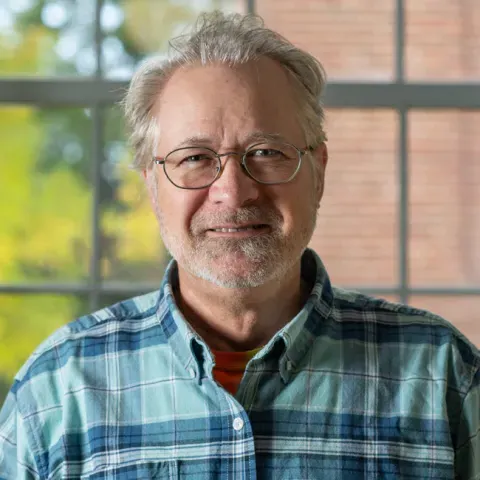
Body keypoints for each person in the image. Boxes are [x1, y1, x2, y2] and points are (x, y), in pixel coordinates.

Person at [0, 11, 478, 480]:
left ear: (319, 170)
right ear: (152, 184)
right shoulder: (59, 388)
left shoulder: (444, 376)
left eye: (267, 152)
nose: (234, 190)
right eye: (195, 158)